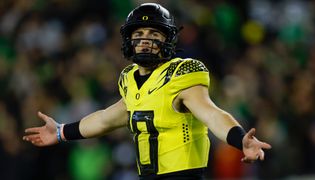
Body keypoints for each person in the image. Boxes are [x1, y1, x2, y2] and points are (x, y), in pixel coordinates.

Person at [23, 3, 271, 180]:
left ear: (168, 40)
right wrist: (61, 131)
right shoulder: (129, 78)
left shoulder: (182, 72)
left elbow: (211, 113)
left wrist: (240, 140)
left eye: (153, 33)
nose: (145, 40)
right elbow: (108, 118)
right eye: (139, 34)